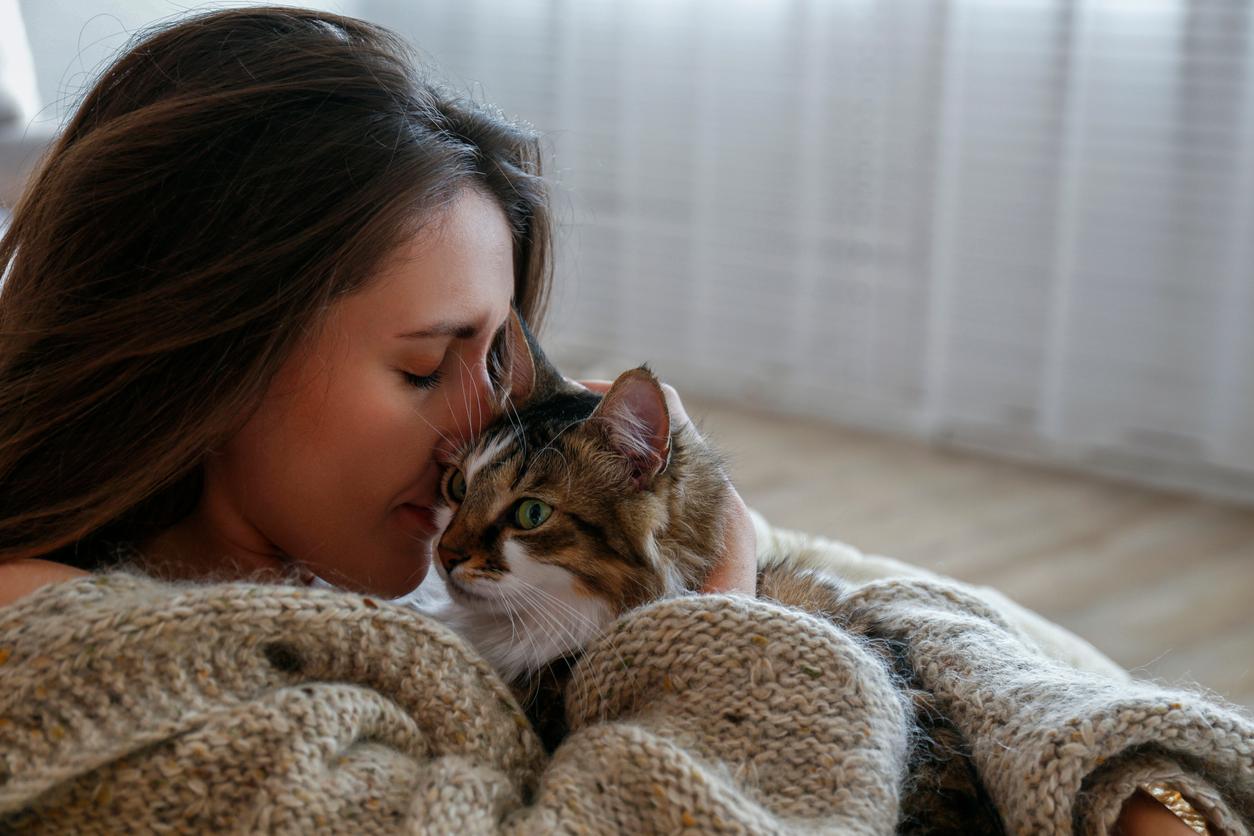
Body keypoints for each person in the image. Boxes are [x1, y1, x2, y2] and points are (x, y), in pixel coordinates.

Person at [0, 8, 1243, 834]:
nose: (474, 430)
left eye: (495, 355)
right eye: (428, 365)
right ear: (211, 344)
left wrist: (1100, 758)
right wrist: (723, 617)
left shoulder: (337, 539)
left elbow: (856, 594)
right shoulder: (81, 676)